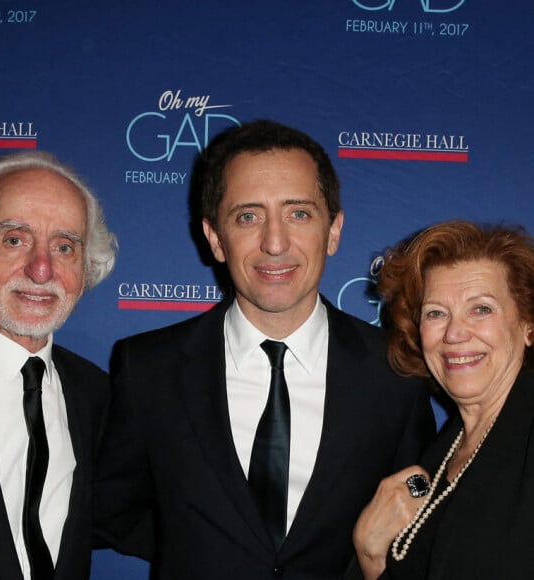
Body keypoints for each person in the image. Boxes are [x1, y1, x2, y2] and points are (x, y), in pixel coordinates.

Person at [94, 119, 435, 579]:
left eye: (299, 213)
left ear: (333, 231)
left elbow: (417, 522)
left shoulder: (395, 370)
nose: (275, 243)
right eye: (248, 216)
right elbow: (115, 508)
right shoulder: (148, 369)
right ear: (216, 238)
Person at [0, 151, 117, 580]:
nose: (41, 269)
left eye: (64, 247)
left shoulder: (97, 396)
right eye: (15, 239)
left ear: (84, 273)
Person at [350, 220, 534, 579]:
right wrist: (370, 554)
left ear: (527, 324)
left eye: (481, 308)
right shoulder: (438, 455)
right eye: (436, 313)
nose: (454, 332)